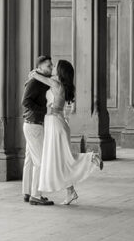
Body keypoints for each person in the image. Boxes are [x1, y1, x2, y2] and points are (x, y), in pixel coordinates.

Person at [30, 58, 102, 205]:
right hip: (57, 123)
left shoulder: (56, 84)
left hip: (55, 123)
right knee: (61, 160)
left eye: (55, 66)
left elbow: (33, 74)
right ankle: (70, 192)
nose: (53, 67)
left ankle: (92, 158)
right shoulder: (61, 84)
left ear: (60, 71)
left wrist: (39, 70)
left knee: (63, 159)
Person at [21, 54, 54, 206]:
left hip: (31, 123)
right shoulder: (35, 81)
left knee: (29, 160)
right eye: (48, 66)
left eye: (52, 65)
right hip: (34, 124)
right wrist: (44, 110)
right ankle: (36, 195)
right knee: (40, 161)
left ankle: (27, 192)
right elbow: (25, 101)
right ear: (40, 67)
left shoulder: (39, 80)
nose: (51, 68)